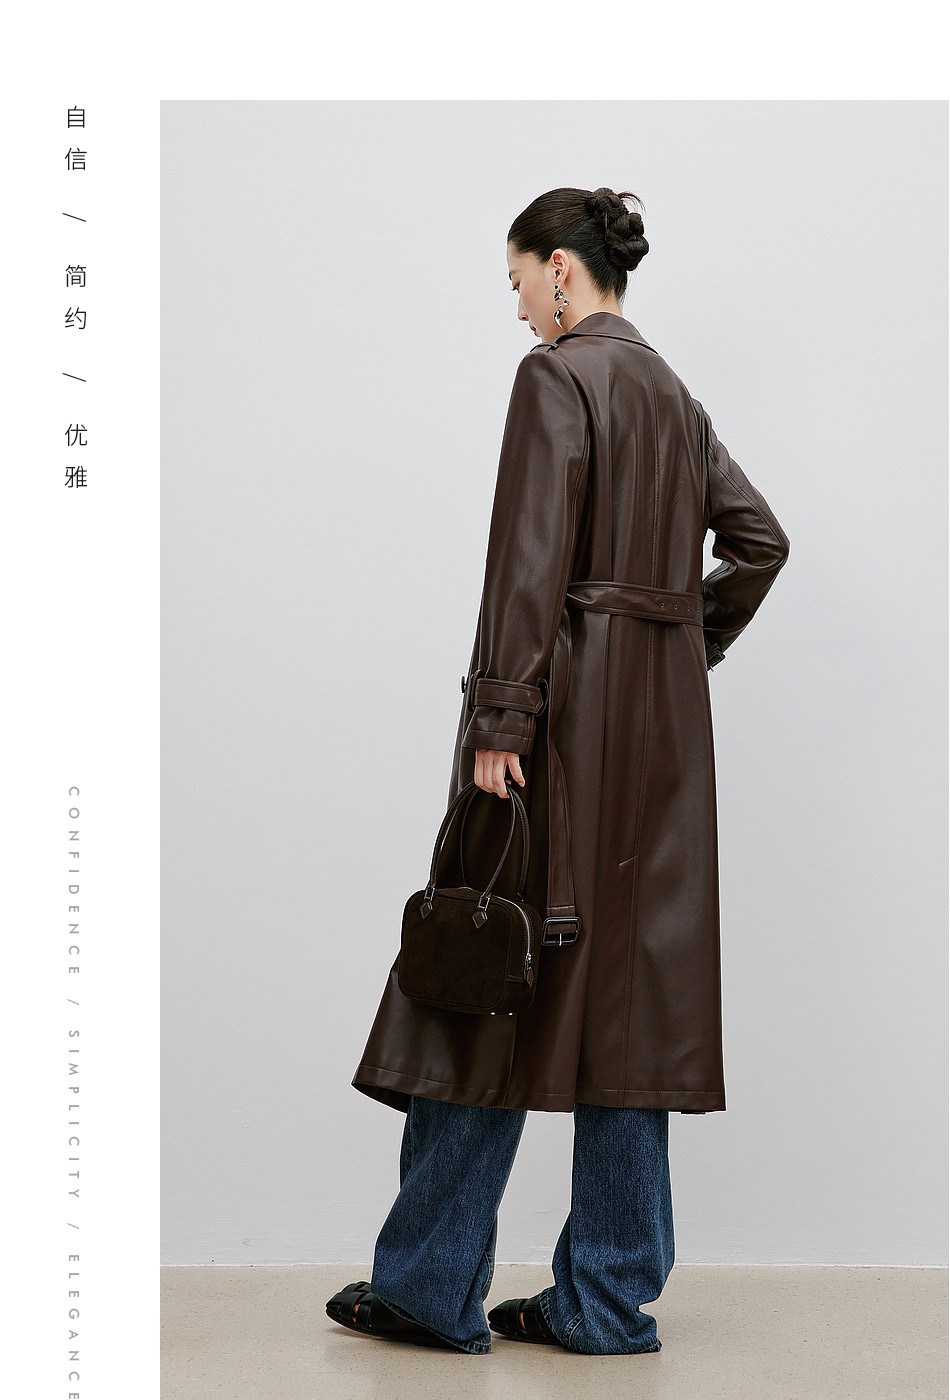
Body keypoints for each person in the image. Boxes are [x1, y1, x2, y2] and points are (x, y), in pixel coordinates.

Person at [327, 187, 790, 1355]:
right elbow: (758, 541)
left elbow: (526, 564)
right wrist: (672, 646)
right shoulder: (671, 397)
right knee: (629, 1006)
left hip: (556, 735)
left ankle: (428, 1285)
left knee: (475, 971)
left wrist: (502, 715)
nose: (520, 308)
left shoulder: (556, 378)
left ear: (560, 271)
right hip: (663, 748)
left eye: (518, 282)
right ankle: (604, 1300)